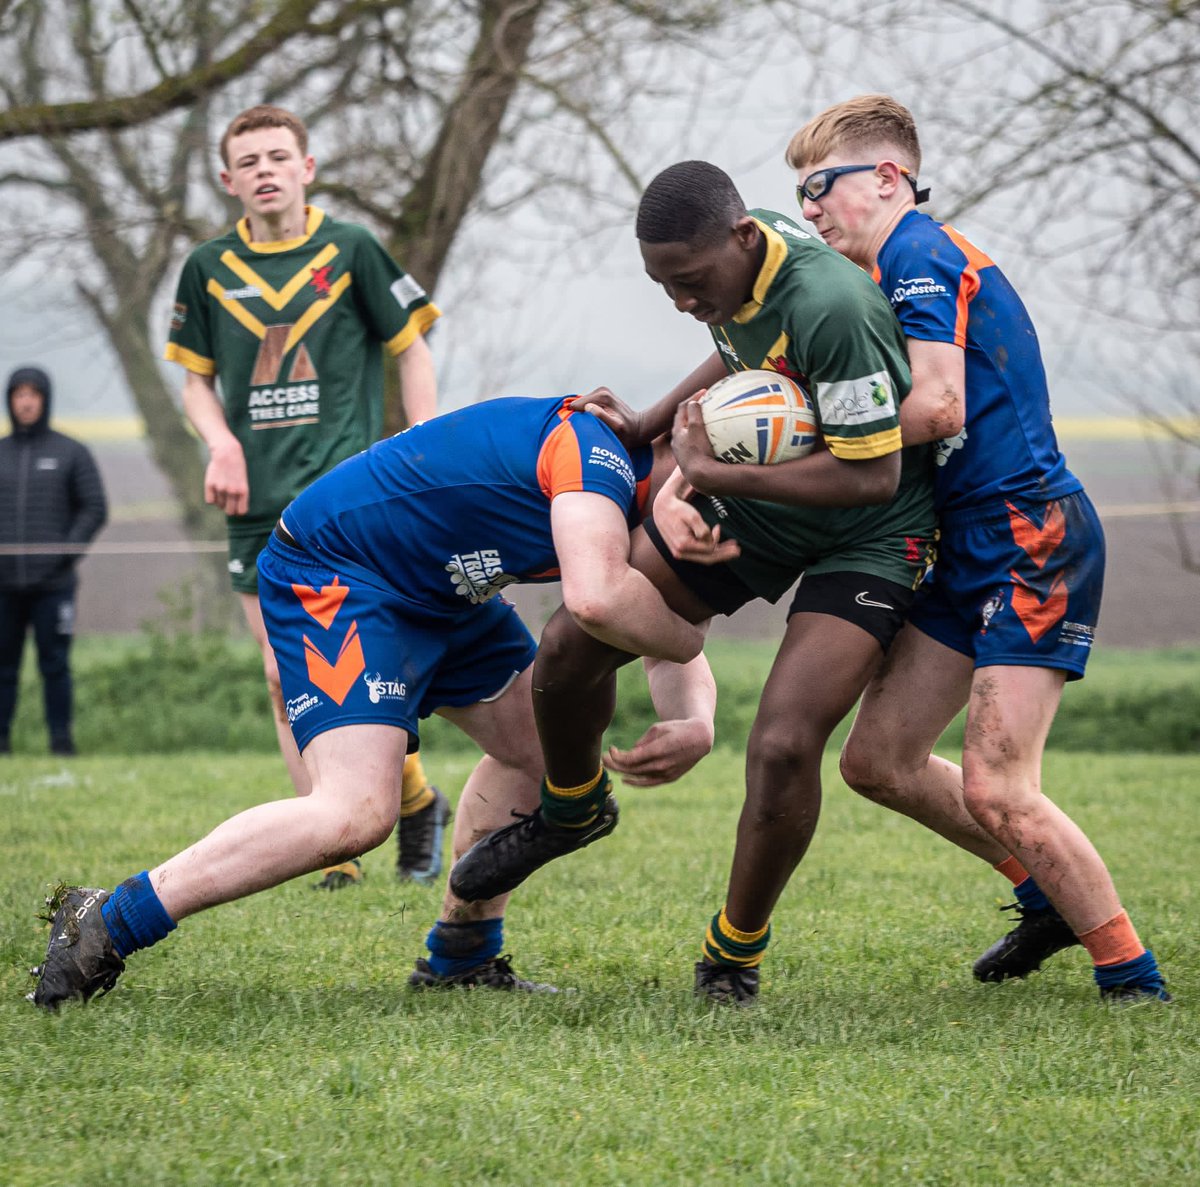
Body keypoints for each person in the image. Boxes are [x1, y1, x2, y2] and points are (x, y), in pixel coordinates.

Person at [29, 394, 714, 1008]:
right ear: (682, 448)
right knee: (355, 814)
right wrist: (682, 641)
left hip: (444, 592)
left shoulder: (664, 491)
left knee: (544, 752)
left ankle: (461, 956)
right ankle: (108, 918)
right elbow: (604, 602)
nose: (714, 517)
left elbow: (657, 616)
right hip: (342, 569)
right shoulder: (599, 459)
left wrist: (696, 720)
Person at [449, 161, 937, 1006]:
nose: (679, 299)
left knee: (784, 743)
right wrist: (646, 425)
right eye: (661, 285)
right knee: (569, 644)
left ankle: (731, 953)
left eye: (689, 280)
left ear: (741, 238)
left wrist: (716, 477)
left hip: (872, 531)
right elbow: (730, 347)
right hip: (769, 499)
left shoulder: (834, 308)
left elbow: (873, 477)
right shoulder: (749, 260)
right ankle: (571, 805)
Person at [786, 94, 1169, 1002]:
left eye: (818, 188)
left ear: (885, 180)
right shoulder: (884, 272)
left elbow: (938, 405)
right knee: (877, 759)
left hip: (1031, 537)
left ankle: (1131, 978)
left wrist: (806, 445)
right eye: (798, 197)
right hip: (970, 547)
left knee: (1001, 785)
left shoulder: (917, 249)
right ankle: (1044, 899)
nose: (809, 211)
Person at [164, 104, 449, 888]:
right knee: (279, 670)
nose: (264, 170)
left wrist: (422, 443)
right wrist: (221, 443)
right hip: (255, 503)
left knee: (348, 662)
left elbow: (412, 348)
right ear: (228, 181)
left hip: (340, 505)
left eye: (277, 156)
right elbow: (195, 382)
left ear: (307, 168)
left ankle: (373, 820)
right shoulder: (208, 268)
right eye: (248, 161)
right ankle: (364, 827)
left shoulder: (350, 249)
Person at [0, 366, 107, 757]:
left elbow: (94, 508)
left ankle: (61, 743)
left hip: (54, 586)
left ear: (44, 399)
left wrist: (64, 554)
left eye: (33, 394)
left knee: (55, 665)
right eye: (18, 394)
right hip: (4, 587)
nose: (25, 401)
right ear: (10, 400)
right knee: (3, 669)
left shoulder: (70, 452)